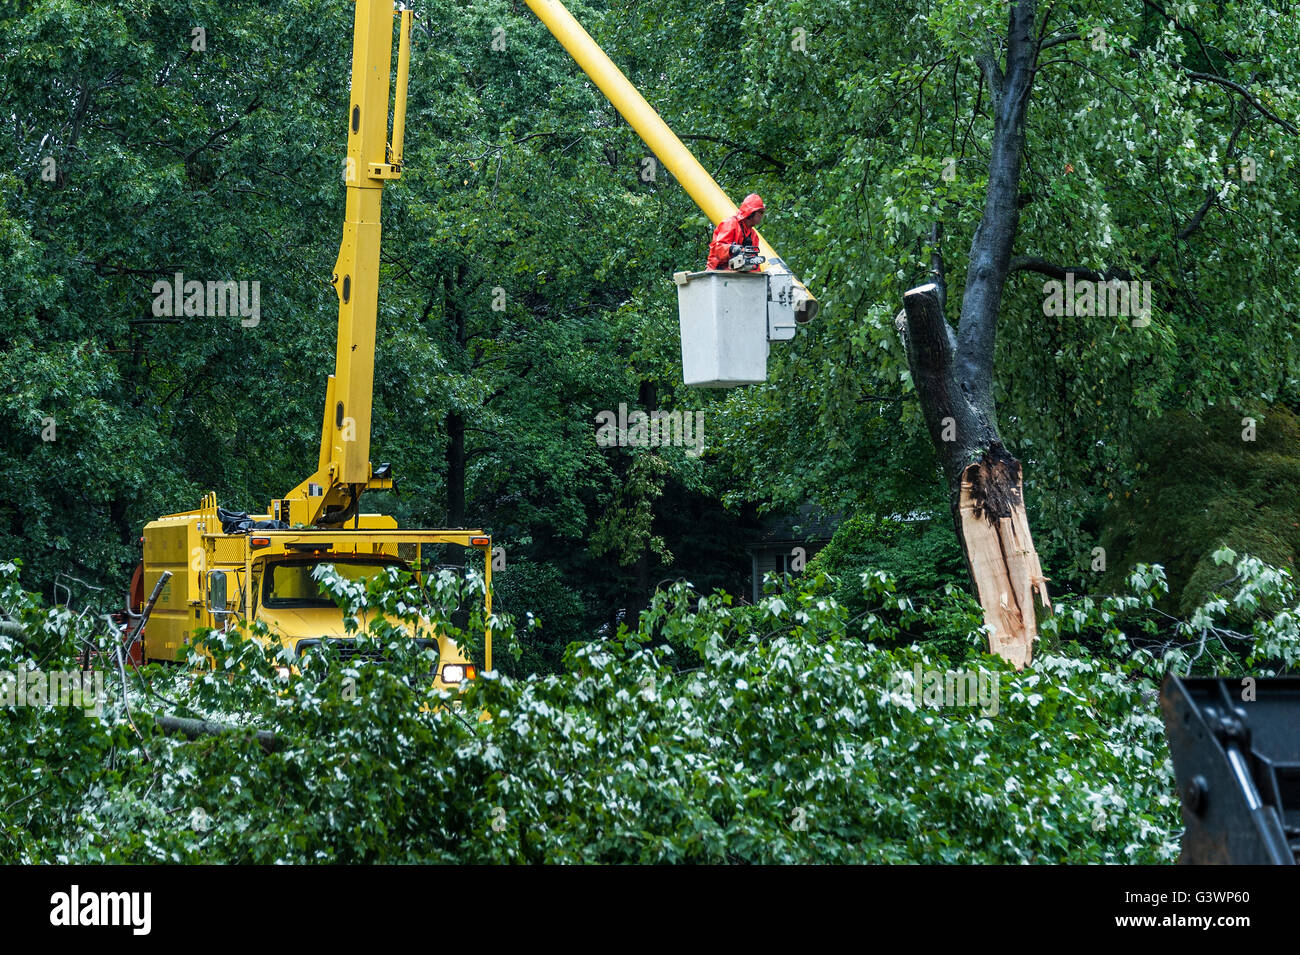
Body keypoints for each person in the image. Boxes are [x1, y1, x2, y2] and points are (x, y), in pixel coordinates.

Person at [706, 193, 765, 271]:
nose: (762, 216)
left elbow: (753, 261)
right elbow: (718, 249)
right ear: (751, 212)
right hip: (718, 272)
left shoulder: (753, 235)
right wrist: (732, 249)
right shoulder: (730, 224)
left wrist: (759, 278)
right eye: (760, 212)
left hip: (738, 274)